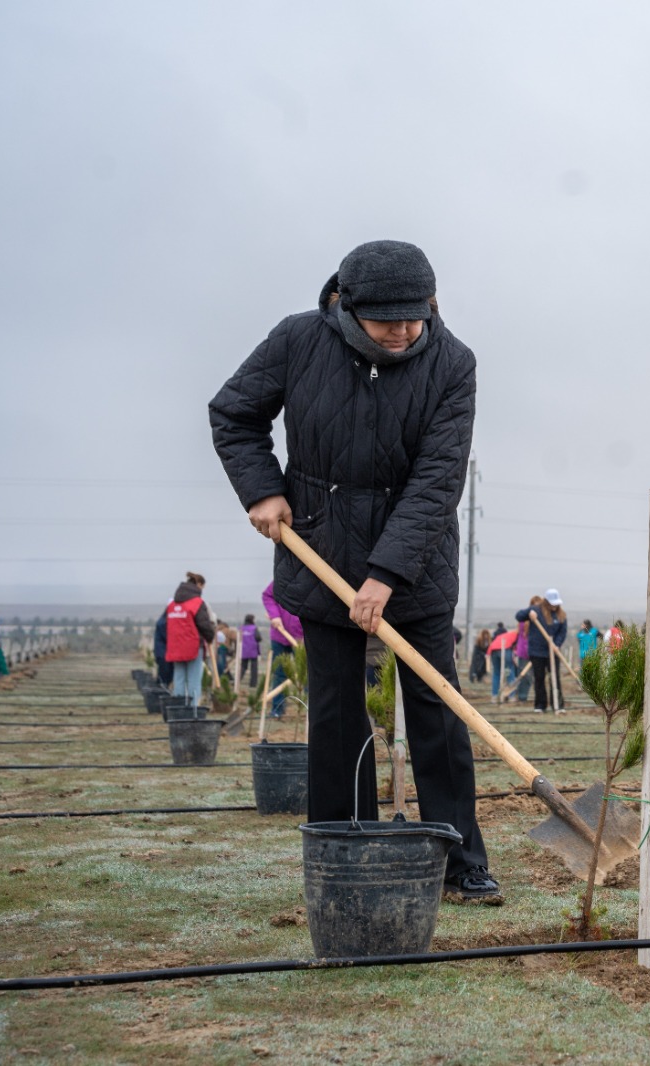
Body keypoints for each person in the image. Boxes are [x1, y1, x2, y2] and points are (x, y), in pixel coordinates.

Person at [210, 238, 497, 902]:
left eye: (415, 317)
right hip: (322, 554)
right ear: (346, 305)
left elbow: (437, 480)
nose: (403, 331)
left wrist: (387, 573)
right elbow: (234, 414)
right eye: (387, 320)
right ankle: (345, 851)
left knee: (437, 710)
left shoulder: (453, 364)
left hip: (417, 565)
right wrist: (262, 490)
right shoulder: (297, 341)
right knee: (338, 715)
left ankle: (460, 861)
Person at [164, 572, 216, 705]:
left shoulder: (172, 605)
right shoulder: (197, 603)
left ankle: (179, 710)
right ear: (198, 584)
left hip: (175, 647)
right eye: (202, 588)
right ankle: (193, 711)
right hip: (193, 647)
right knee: (194, 680)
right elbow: (204, 624)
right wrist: (210, 636)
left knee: (179, 679)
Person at [517, 592, 568, 713]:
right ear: (546, 602)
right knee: (539, 678)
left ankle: (558, 705)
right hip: (537, 651)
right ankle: (540, 705)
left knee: (555, 677)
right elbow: (519, 616)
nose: (554, 606)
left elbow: (562, 632)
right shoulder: (536, 610)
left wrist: (557, 644)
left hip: (553, 651)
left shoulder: (561, 615)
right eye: (552, 604)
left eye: (556, 604)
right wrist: (529, 614)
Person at [261, 581, 302, 718]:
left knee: (308, 674)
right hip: (280, 634)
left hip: (303, 637)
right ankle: (277, 709)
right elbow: (268, 595)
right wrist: (275, 616)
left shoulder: (313, 578)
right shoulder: (283, 576)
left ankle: (310, 711)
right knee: (279, 673)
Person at [152, 611, 173, 688]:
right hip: (163, 654)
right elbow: (168, 638)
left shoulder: (162, 621)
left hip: (163, 653)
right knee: (164, 676)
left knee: (165, 675)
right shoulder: (163, 623)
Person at [239, 615, 260, 686]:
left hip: (243, 651)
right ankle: (253, 683)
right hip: (253, 651)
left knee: (243, 666)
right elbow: (258, 638)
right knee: (254, 668)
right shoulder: (254, 628)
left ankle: (238, 680)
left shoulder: (241, 628)